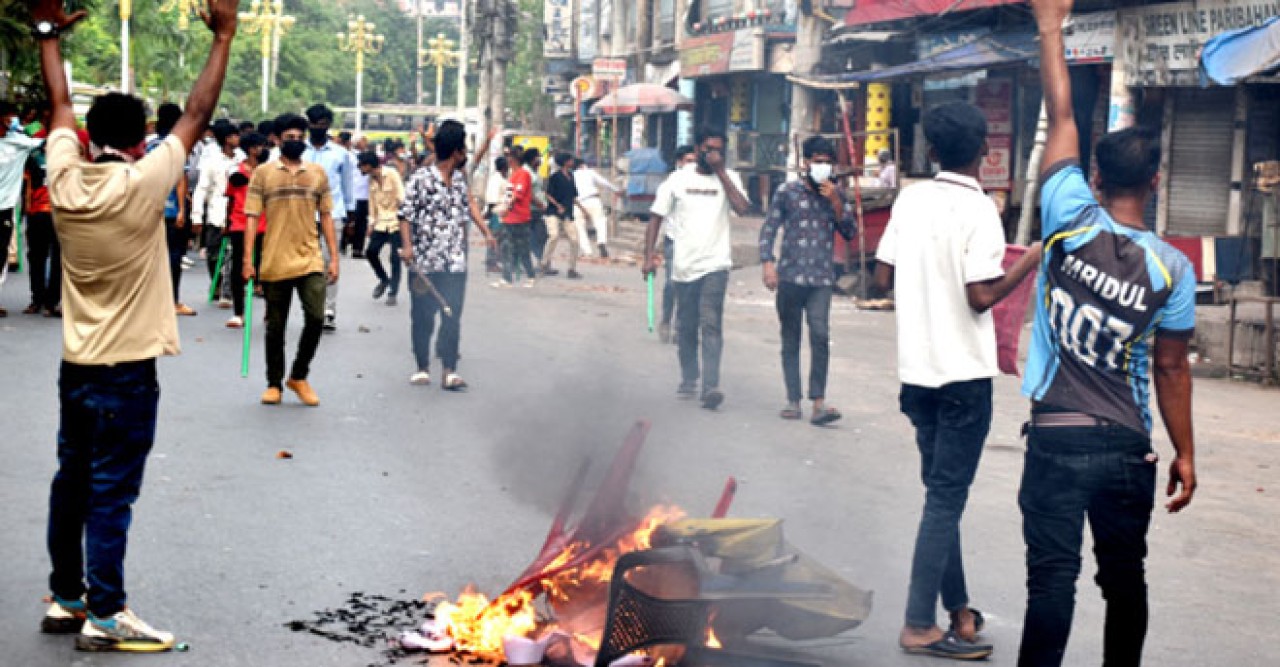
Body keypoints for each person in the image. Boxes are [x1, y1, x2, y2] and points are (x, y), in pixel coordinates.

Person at [34, 0, 238, 651]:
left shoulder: (65, 178)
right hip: (127, 373)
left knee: (71, 481)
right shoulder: (144, 181)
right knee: (110, 492)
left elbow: (59, 106)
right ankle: (106, 609)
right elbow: (199, 112)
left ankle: (67, 598)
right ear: (142, 135)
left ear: (90, 136)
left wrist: (48, 35)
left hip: (77, 366)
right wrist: (225, 33)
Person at [1016, 2, 1198, 665]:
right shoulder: (1172, 268)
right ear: (1154, 183)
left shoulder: (1068, 213)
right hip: (1127, 448)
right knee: (1125, 583)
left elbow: (1062, 115)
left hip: (1056, 436)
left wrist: (1049, 25)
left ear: (1095, 178)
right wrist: (1185, 453)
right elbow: (1172, 369)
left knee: (1052, 582)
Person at [872, 102, 1042, 661]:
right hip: (964, 378)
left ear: (931, 151)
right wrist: (1033, 257)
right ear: (986, 154)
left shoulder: (911, 198)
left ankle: (960, 613)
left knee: (939, 501)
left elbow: (882, 274)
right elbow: (981, 296)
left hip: (917, 376)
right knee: (944, 502)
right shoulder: (980, 210)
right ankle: (919, 624)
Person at [643, 127, 751, 410]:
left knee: (711, 323)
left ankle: (711, 385)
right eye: (709, 149)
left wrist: (722, 174)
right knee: (687, 326)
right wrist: (648, 256)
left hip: (716, 264)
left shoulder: (731, 178)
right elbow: (656, 217)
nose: (714, 155)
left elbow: (742, 208)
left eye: (719, 150)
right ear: (698, 149)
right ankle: (689, 377)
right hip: (684, 264)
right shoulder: (678, 180)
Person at [244, 113, 340, 407]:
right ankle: (274, 383)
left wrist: (334, 258)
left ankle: (299, 375)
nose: (295, 142)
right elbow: (251, 217)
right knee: (276, 326)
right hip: (274, 259)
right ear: (277, 139)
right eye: (290, 138)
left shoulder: (316, 173)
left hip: (310, 257)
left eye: (300, 137)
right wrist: (248, 259)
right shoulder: (263, 173)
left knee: (315, 317)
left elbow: (326, 216)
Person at [759, 136, 855, 426]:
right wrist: (768, 264)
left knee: (820, 336)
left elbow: (849, 232)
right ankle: (792, 399)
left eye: (827, 162)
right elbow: (769, 229)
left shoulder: (837, 194)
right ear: (806, 163)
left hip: (821, 278)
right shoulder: (787, 192)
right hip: (790, 275)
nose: (822, 166)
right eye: (817, 161)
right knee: (791, 338)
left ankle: (818, 402)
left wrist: (836, 202)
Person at [398, 120, 496, 389]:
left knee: (452, 314)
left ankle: (450, 370)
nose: (465, 153)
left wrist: (486, 231)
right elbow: (405, 215)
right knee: (422, 315)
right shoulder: (421, 178)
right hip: (424, 261)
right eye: (463, 148)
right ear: (456, 151)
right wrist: (407, 247)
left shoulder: (460, 180)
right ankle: (422, 367)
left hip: (454, 261)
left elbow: (469, 206)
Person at [302, 104, 355, 331]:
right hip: (303, 213)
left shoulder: (341, 155)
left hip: (333, 213)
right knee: (306, 263)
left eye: (322, 124)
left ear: (328, 126)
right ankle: (311, 306)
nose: (318, 128)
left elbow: (347, 185)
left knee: (328, 259)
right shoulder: (300, 152)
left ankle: (328, 309)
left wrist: (351, 215)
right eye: (314, 124)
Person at [148, 104, 195, 316]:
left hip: (150, 209)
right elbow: (180, 180)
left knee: (152, 257)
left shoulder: (150, 145)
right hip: (170, 210)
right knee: (173, 256)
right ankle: (173, 300)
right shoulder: (176, 147)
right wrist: (182, 210)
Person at [0, 100, 43, 316]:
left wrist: (31, 126)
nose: (12, 120)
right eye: (9, 116)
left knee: (0, 253)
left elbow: (43, 139)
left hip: (5, 206)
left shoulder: (19, 141)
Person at [192, 118, 240, 306]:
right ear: (226, 139)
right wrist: (196, 216)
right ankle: (217, 282)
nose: (238, 138)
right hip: (216, 213)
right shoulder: (211, 161)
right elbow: (202, 189)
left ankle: (227, 291)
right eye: (234, 135)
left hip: (237, 213)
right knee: (213, 253)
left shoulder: (242, 159)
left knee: (233, 254)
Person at [224, 132, 270, 328]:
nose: (263, 150)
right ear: (252, 149)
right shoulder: (237, 171)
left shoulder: (269, 171)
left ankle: (270, 310)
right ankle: (238, 312)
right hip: (241, 224)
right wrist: (227, 224)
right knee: (238, 267)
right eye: (260, 146)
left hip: (264, 224)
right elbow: (231, 198)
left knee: (265, 267)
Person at [654, 145, 697, 343]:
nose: (692, 165)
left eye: (695, 161)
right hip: (674, 239)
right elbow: (658, 215)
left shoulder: (702, 183)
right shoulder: (672, 183)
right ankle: (666, 320)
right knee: (673, 285)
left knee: (691, 287)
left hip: (696, 242)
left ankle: (682, 327)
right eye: (688, 161)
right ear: (679, 162)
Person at [360, 150, 406, 305]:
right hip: (381, 222)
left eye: (362, 165)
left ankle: (393, 292)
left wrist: (404, 216)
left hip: (395, 222)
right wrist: (370, 223)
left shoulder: (391, 174)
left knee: (395, 258)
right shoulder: (371, 181)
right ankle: (384, 279)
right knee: (371, 252)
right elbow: (372, 204)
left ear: (368, 165)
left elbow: (401, 195)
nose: (360, 169)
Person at [24, 153, 62, 317]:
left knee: (58, 259)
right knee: (36, 257)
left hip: (61, 212)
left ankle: (52, 302)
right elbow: (26, 185)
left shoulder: (68, 155)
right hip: (37, 212)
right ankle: (37, 299)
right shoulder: (33, 155)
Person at [498, 148, 537, 287]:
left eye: (509, 157)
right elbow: (510, 194)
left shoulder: (523, 174)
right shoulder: (513, 175)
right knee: (507, 248)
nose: (507, 160)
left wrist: (505, 208)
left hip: (520, 218)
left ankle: (531, 276)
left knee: (523, 248)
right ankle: (507, 278)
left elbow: (517, 195)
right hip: (510, 218)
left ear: (513, 159)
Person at [541, 152, 583, 279]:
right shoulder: (554, 177)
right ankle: (544, 263)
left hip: (567, 213)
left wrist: (582, 208)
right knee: (553, 236)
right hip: (553, 212)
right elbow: (548, 194)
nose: (572, 162)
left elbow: (573, 196)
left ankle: (572, 268)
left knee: (575, 240)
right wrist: (557, 205)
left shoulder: (571, 176)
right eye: (570, 160)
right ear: (565, 162)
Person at [574, 157, 620, 257]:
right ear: (582, 164)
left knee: (580, 228)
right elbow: (604, 182)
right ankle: (601, 242)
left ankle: (587, 252)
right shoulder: (590, 172)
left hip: (577, 203)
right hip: (593, 200)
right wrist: (616, 190)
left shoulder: (571, 175)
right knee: (600, 222)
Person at [483, 155, 510, 272]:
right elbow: (492, 199)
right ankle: (491, 263)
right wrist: (489, 214)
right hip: (496, 213)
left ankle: (500, 261)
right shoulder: (496, 179)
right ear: (504, 166)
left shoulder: (503, 179)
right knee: (494, 238)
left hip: (503, 213)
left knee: (503, 239)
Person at [346, 133, 370, 259]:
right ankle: (346, 244)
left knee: (361, 224)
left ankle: (357, 249)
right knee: (353, 223)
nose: (366, 142)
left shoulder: (366, 155)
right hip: (354, 194)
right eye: (364, 140)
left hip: (364, 195)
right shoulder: (349, 156)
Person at [526, 147, 548, 267]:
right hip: (529, 209)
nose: (540, 159)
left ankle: (542, 262)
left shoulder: (536, 172)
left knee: (542, 236)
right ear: (532, 159)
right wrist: (540, 204)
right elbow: (528, 193)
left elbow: (539, 190)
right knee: (531, 237)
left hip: (538, 210)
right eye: (538, 157)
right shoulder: (526, 172)